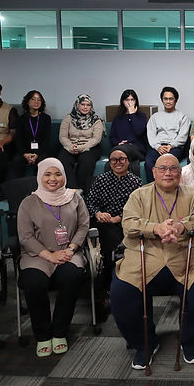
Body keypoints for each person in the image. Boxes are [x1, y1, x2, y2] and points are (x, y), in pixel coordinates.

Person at [111, 153, 194, 369]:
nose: (168, 173)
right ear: (154, 172)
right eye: (163, 168)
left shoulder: (193, 195)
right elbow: (129, 224)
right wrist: (155, 228)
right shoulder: (139, 195)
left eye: (173, 168)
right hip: (145, 259)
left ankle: (189, 339)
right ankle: (144, 343)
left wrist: (180, 227)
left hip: (184, 259)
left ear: (180, 172)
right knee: (121, 293)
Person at [17, 158, 90, 357]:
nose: (53, 179)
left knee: (72, 278)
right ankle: (42, 335)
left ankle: (59, 332)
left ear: (64, 176)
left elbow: (84, 225)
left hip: (69, 253)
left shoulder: (75, 198)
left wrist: (72, 247)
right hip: (38, 255)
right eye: (47, 174)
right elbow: (25, 236)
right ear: (40, 176)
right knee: (34, 283)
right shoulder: (28, 202)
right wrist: (49, 255)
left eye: (57, 174)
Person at [88, 146, 142, 260]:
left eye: (122, 159)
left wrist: (117, 218)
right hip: (100, 221)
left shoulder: (136, 182)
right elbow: (90, 202)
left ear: (128, 161)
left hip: (124, 223)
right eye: (113, 160)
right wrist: (98, 214)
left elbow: (138, 209)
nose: (118, 163)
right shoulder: (100, 179)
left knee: (112, 234)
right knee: (105, 230)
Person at [57, 93, 104, 192]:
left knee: (86, 159)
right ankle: (72, 188)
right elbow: (63, 136)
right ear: (77, 105)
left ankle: (82, 188)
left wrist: (80, 148)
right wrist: (70, 147)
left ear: (91, 106)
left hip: (90, 147)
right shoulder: (68, 119)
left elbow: (96, 139)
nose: (85, 107)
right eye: (82, 104)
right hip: (71, 146)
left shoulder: (96, 120)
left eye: (88, 105)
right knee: (63, 159)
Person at [145, 86, 191, 171]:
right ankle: (154, 184)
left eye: (171, 99)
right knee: (148, 162)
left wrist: (171, 145)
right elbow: (151, 135)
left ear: (175, 100)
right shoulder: (155, 117)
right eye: (165, 99)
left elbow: (182, 137)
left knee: (167, 163)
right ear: (162, 100)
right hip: (158, 146)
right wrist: (158, 146)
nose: (168, 101)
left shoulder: (183, 117)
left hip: (175, 147)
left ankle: (167, 184)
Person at [11, 90, 54, 179]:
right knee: (17, 160)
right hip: (25, 151)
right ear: (27, 102)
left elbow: (47, 139)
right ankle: (20, 188)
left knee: (41, 161)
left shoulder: (46, 118)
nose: (36, 102)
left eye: (39, 100)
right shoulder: (21, 119)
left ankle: (38, 189)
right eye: (33, 99)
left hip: (41, 151)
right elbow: (18, 139)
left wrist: (37, 154)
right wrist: (25, 154)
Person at [109, 89, 149, 163]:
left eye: (132, 100)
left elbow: (139, 131)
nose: (129, 102)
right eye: (127, 100)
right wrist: (119, 143)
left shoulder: (141, 116)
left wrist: (132, 114)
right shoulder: (118, 118)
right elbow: (112, 137)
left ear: (136, 101)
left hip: (137, 150)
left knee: (118, 155)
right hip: (120, 148)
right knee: (116, 157)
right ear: (123, 102)